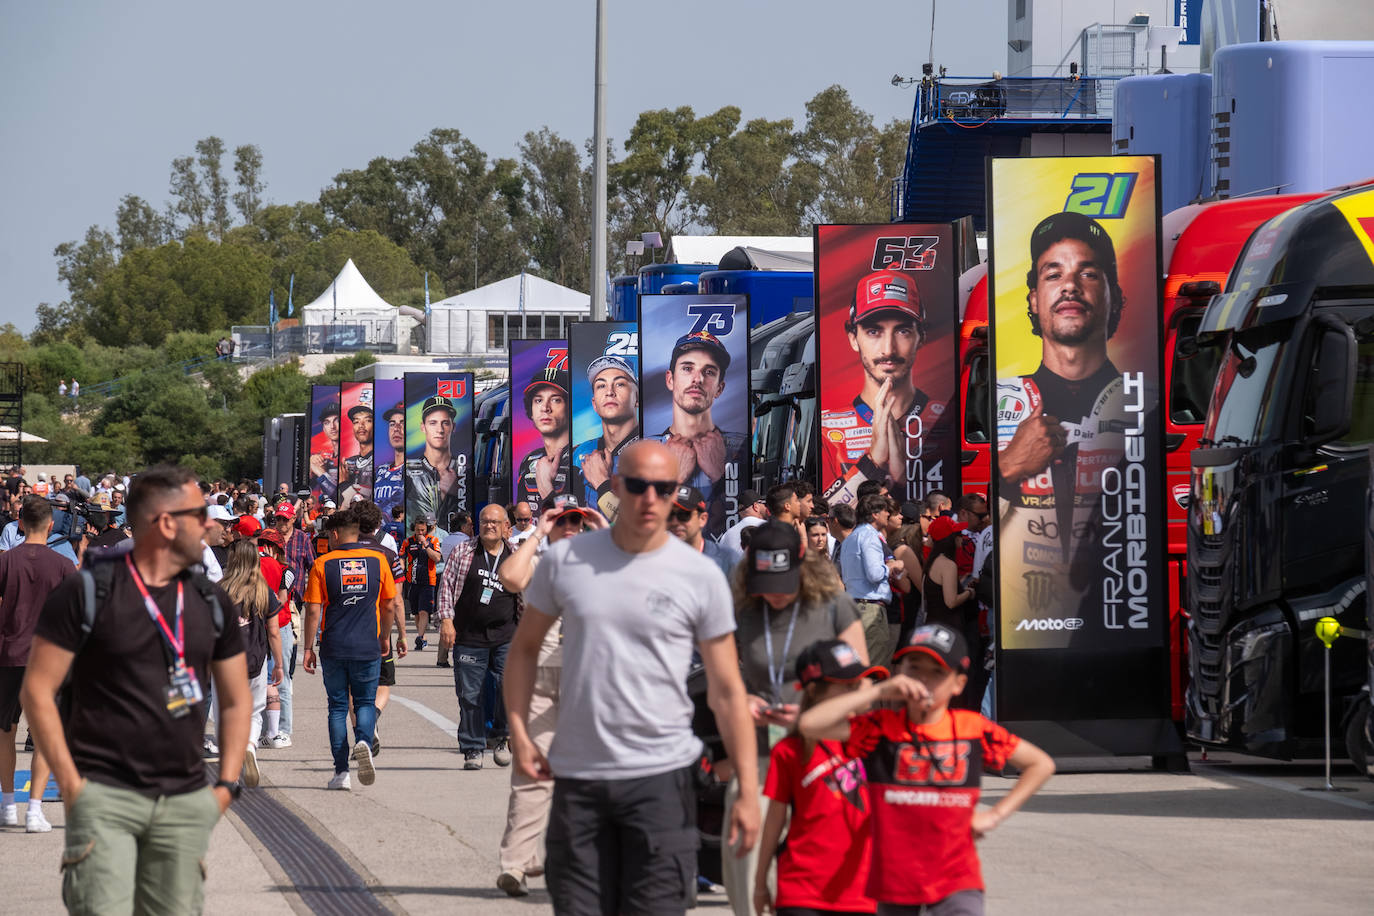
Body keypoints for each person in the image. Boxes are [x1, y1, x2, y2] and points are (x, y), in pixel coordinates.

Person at [504, 440, 760, 915]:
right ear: (617, 486)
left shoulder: (699, 576)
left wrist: (746, 789)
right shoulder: (566, 561)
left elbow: (727, 690)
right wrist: (520, 734)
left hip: (662, 780)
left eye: (664, 489)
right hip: (580, 780)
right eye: (638, 486)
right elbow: (522, 652)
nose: (650, 499)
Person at [21, 465, 251, 914]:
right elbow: (37, 691)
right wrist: (71, 786)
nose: (211, 523)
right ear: (166, 523)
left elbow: (237, 698)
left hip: (184, 802)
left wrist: (225, 786)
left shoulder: (210, 599)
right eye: (200, 513)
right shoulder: (88, 591)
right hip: (103, 796)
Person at [799, 624, 1055, 916]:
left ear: (958, 684)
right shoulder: (880, 728)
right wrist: (880, 690)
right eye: (914, 668)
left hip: (956, 880)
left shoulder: (971, 728)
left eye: (937, 672)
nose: (923, 679)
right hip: (895, 882)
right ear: (899, 674)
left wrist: (995, 815)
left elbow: (1040, 764)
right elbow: (809, 724)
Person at [722, 520, 869, 916]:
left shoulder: (833, 605)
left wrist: (810, 715)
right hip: (760, 748)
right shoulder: (744, 607)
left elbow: (864, 687)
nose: (774, 596)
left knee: (821, 869)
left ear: (802, 565)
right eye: (765, 586)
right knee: (744, 848)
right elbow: (723, 677)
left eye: (783, 585)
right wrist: (744, 700)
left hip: (822, 751)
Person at [996, 211, 1128, 620]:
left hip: (1117, 608)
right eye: (1053, 274)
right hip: (1028, 616)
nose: (1069, 285)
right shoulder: (1005, 399)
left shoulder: (1143, 402)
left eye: (1087, 273)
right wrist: (1008, 467)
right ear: (1034, 298)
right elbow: (966, 518)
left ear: (1114, 297)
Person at [493, 492, 603, 896]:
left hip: (588, 676)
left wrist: (603, 531)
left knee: (591, 776)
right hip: (539, 674)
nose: (570, 529)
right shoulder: (537, 559)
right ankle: (516, 864)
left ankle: (581, 864)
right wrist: (538, 533)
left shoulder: (600, 558)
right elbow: (510, 578)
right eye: (563, 522)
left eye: (576, 522)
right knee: (532, 771)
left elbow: (630, 572)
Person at [754, 639, 886, 916]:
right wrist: (760, 881)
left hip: (863, 892)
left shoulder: (878, 740)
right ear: (814, 691)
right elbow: (775, 821)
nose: (857, 693)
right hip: (801, 890)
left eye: (858, 685)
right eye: (847, 686)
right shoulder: (789, 751)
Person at [821, 270, 953, 508]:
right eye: (873, 331)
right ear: (853, 337)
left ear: (921, 336)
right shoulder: (828, 430)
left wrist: (903, 480)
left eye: (902, 331)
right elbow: (825, 516)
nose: (888, 349)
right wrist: (873, 462)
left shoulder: (948, 418)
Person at [302, 511, 397, 790]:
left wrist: (308, 647)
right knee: (365, 702)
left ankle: (341, 772)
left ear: (334, 534)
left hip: (334, 645)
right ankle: (365, 742)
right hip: (368, 643)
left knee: (337, 708)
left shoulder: (323, 563)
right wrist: (385, 637)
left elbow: (312, 610)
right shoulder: (379, 561)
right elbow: (389, 604)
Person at [0, 497, 75, 832]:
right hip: (49, 659)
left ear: (19, 523)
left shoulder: (5, 561)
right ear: (50, 525)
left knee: (5, 733)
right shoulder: (62, 565)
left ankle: (7, 805)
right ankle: (34, 810)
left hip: (8, 654)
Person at [436, 503, 521, 770]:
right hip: (469, 636)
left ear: (506, 526)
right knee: (469, 694)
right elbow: (447, 587)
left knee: (508, 689)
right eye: (485, 521)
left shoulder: (516, 554)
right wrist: (447, 621)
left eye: (496, 522)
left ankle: (501, 737)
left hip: (507, 636)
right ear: (477, 524)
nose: (490, 526)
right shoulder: (464, 551)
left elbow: (528, 593)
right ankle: (473, 747)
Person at [655, 331, 747, 539]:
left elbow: (748, 518)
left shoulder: (741, 447)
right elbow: (635, 524)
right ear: (670, 379)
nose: (697, 379)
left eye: (709, 372)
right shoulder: (643, 450)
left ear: (719, 388)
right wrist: (674, 479)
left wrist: (719, 474)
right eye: (687, 368)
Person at [219, 539, 283, 788]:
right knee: (255, 712)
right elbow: (274, 631)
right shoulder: (262, 589)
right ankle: (250, 745)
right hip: (255, 659)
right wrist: (278, 663)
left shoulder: (219, 588)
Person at [352, 502, 408, 756]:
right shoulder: (388, 555)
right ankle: (371, 718)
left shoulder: (339, 552)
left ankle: (362, 735)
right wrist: (402, 634)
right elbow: (395, 600)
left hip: (347, 629)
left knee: (353, 687)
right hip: (378, 629)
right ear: (378, 525)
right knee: (384, 682)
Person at [838, 494, 906, 667]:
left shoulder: (851, 538)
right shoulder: (869, 536)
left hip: (855, 605)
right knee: (873, 667)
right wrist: (893, 566)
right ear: (875, 514)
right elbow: (874, 574)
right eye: (885, 511)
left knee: (859, 665)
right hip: (870, 609)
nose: (888, 515)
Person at [571, 354, 640, 521]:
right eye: (601, 386)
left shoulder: (653, 450)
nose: (610, 392)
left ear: (637, 398)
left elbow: (641, 528)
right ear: (594, 403)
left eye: (620, 384)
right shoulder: (580, 452)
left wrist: (602, 484)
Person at [254, 528, 295, 749]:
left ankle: (268, 730)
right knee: (282, 679)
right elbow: (282, 598)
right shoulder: (283, 567)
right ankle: (282, 731)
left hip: (257, 625)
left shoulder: (249, 563)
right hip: (280, 623)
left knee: (263, 680)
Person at [515, 368, 574, 514]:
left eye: (556, 400)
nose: (545, 408)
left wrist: (546, 488)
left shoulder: (582, 458)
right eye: (538, 400)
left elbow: (578, 521)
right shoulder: (528, 460)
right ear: (531, 409)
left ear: (569, 406)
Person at [405, 396, 463, 534]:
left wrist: (455, 492)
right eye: (433, 423)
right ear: (423, 427)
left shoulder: (463, 469)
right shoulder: (408, 472)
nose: (440, 430)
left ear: (453, 427)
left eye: (445, 423)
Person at [667, 484, 733, 576]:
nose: (674, 522)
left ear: (702, 519)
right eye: (669, 515)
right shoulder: (653, 560)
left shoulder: (728, 560)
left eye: (684, 515)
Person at [401, 519, 442, 657]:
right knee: (416, 613)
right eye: (418, 530)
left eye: (423, 530)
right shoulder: (408, 541)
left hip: (428, 582)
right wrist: (401, 567)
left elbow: (437, 558)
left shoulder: (433, 540)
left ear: (427, 529)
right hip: (412, 581)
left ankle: (420, 637)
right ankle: (422, 638)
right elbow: (402, 556)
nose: (420, 532)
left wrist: (426, 545)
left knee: (424, 611)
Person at [373, 403, 406, 523]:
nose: (396, 428)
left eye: (403, 423)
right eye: (392, 424)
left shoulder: (418, 471)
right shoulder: (379, 470)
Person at [340, 401, 375, 506]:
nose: (361, 426)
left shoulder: (381, 462)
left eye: (368, 420)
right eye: (356, 422)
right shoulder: (348, 462)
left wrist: (344, 485)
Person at [719, 488, 767, 560]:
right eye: (764, 503)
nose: (766, 507)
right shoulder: (769, 527)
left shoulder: (727, 535)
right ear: (756, 506)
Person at [310, 402, 342, 503]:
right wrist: (310, 468)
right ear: (323, 428)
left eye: (337, 420)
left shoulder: (354, 456)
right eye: (327, 422)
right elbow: (306, 489)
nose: (332, 426)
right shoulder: (324, 457)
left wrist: (320, 472)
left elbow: (340, 497)